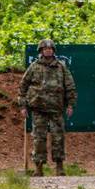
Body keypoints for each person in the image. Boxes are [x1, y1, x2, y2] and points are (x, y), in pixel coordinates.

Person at [19, 38, 76, 177]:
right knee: (39, 139)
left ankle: (59, 167)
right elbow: (23, 86)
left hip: (56, 108)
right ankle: (38, 168)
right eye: (45, 49)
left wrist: (70, 104)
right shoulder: (34, 67)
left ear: (53, 51)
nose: (48, 51)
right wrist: (23, 105)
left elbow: (70, 86)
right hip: (38, 109)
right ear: (41, 51)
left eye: (50, 49)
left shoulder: (61, 67)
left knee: (58, 138)